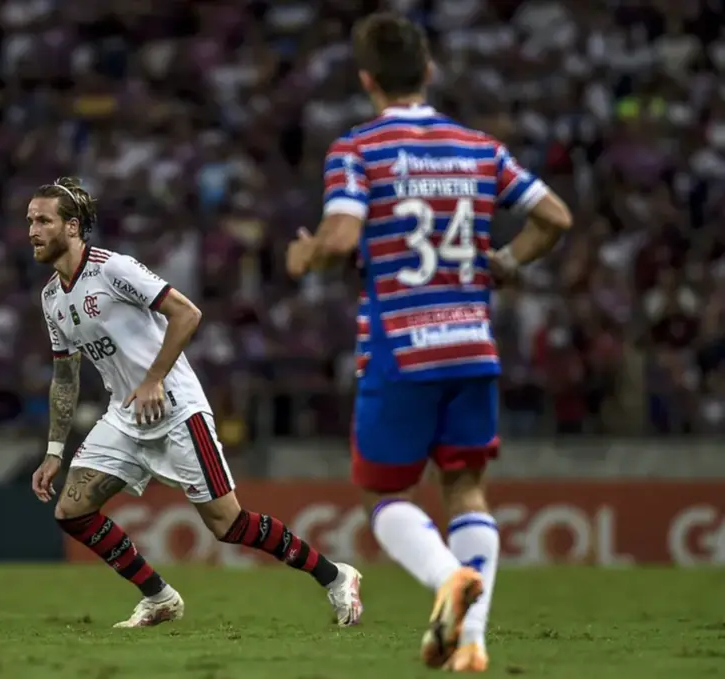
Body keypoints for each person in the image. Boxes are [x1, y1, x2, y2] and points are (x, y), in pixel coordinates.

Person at [286, 13, 573, 673]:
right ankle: (470, 643)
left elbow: (338, 238)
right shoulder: (478, 147)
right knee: (466, 488)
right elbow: (554, 217)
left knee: (385, 498)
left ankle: (448, 577)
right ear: (430, 71)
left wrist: (305, 256)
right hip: (473, 343)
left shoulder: (358, 149)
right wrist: (507, 260)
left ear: (366, 80)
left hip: (401, 346)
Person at [29, 177, 363, 629]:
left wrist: (153, 379)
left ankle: (336, 575)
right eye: (30, 221)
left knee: (228, 526)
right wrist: (53, 451)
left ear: (72, 227)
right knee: (72, 509)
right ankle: (160, 597)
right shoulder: (51, 298)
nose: (32, 230)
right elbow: (65, 377)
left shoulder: (113, 269)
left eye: (43, 220)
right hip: (125, 415)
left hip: (176, 409)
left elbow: (187, 314)